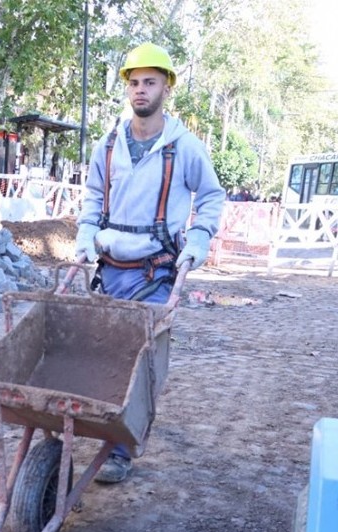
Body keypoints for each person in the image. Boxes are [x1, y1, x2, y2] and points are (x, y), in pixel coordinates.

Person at [74, 42, 226, 484]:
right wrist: (85, 236)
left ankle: (120, 450)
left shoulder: (185, 147)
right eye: (135, 83)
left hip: (156, 272)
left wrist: (199, 237)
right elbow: (93, 198)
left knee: (140, 365)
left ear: (166, 88)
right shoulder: (107, 146)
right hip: (108, 271)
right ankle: (99, 427)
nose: (141, 90)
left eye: (150, 82)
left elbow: (211, 196)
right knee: (102, 357)